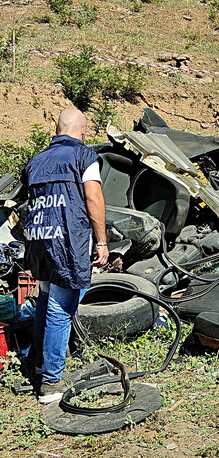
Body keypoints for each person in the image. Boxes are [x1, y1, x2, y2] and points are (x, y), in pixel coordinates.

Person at [22, 109, 109, 404]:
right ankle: (50, 383)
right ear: (83, 131)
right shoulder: (84, 155)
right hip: (68, 243)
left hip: (39, 241)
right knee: (61, 309)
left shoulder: (36, 160)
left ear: (57, 129)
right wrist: (101, 242)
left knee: (46, 301)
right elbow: (93, 197)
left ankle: (37, 364)